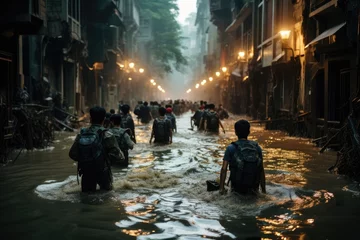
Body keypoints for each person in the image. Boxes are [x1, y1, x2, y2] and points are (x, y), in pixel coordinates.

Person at [69, 106, 124, 192]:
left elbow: (72, 154)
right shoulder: (107, 134)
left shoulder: (82, 133)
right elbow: (119, 156)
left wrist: (86, 158)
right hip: (103, 172)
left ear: (90, 119)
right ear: (104, 119)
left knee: (86, 199)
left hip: (86, 172)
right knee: (106, 197)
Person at [219, 120, 266, 195]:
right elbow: (261, 170)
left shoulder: (231, 148)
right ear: (249, 132)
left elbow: (224, 169)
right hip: (253, 189)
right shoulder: (257, 148)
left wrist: (221, 189)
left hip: (237, 189)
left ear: (236, 132)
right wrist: (264, 191)